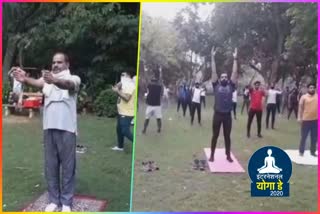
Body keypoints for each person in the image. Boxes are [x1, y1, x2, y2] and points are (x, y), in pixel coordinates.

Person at [12, 52, 81, 212]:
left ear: (67, 64)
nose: (55, 65)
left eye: (59, 62)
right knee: (51, 166)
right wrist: (24, 78)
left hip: (67, 130)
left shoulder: (74, 79)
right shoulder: (48, 80)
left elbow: (67, 85)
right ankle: (53, 200)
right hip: (49, 128)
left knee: (68, 167)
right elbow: (36, 82)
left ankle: (66, 202)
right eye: (53, 62)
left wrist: (55, 80)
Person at [209, 46, 238, 163]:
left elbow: (235, 72)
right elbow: (213, 71)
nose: (225, 78)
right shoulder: (216, 85)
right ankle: (212, 155)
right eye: (223, 77)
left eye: (226, 76)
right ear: (220, 79)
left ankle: (228, 155)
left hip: (227, 116)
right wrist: (212, 57)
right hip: (217, 115)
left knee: (227, 136)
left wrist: (235, 59)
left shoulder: (231, 85)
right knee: (215, 136)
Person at [112, 72, 136, 151]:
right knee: (119, 129)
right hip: (121, 111)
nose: (122, 77)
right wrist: (118, 86)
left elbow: (126, 98)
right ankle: (120, 147)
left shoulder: (130, 85)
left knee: (125, 131)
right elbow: (116, 88)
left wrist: (117, 91)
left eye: (124, 75)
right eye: (121, 75)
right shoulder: (124, 84)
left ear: (128, 77)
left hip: (127, 112)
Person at [298, 83, 318, 157]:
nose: (312, 89)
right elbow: (300, 108)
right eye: (310, 88)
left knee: (314, 137)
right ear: (308, 89)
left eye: (313, 88)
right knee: (304, 136)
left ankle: (312, 152)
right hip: (306, 120)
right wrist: (299, 117)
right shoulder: (304, 97)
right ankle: (301, 151)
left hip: (315, 120)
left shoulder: (317, 96)